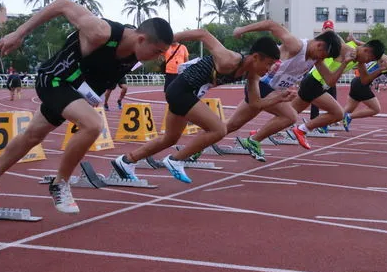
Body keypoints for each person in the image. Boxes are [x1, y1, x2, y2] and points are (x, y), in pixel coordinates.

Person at [0, 0, 173, 213]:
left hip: (76, 91)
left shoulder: (140, 48)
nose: (158, 58)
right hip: (55, 79)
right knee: (93, 125)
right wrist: (19, 34)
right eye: (157, 52)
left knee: (32, 136)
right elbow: (62, 4)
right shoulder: (101, 32)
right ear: (141, 39)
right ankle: (60, 183)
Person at [112, 29, 291, 183]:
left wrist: (279, 98)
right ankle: (176, 160)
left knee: (170, 139)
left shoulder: (252, 76)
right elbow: (202, 34)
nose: (269, 70)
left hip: (184, 95)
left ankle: (126, 161)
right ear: (255, 57)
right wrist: (166, 40)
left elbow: (255, 104)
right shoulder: (230, 59)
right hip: (181, 91)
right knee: (219, 129)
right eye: (268, 64)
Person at [223, 20, 342, 161]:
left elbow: (330, 80)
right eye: (323, 55)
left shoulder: (315, 59)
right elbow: (271, 25)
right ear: (319, 45)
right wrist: (242, 29)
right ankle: (252, 140)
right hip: (260, 85)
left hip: (270, 90)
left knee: (233, 124)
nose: (321, 59)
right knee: (290, 116)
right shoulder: (297, 46)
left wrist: (345, 62)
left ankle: (205, 143)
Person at [290, 37, 384, 147]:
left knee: (288, 114)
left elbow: (364, 80)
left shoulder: (358, 59)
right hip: (314, 82)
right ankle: (301, 130)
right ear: (366, 50)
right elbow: (331, 36)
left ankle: (268, 134)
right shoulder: (348, 49)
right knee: (338, 113)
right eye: (369, 59)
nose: (367, 62)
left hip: (317, 84)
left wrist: (380, 69)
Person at [310, 20, 338, 124]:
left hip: (330, 73)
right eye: (326, 29)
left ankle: (332, 119)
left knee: (333, 97)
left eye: (330, 29)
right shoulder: (318, 42)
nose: (328, 31)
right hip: (318, 73)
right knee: (315, 97)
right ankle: (313, 119)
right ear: (322, 30)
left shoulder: (336, 42)